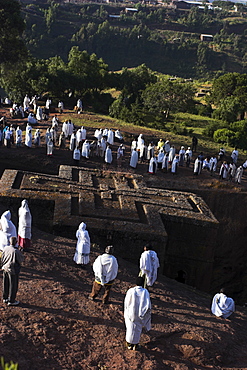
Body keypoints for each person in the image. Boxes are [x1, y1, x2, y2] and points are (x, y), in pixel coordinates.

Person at [124, 276, 151, 350]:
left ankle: (129, 344)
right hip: (140, 314)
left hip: (131, 313)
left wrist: (127, 311)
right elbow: (148, 304)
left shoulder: (130, 291)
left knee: (130, 328)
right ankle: (135, 344)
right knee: (138, 329)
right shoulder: (145, 292)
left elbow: (126, 302)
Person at [2, 236, 24, 306]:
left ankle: (5, 298)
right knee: (13, 285)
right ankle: (11, 300)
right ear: (16, 242)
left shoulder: (5, 248)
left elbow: (2, 258)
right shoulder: (16, 251)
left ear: (9, 242)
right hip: (12, 270)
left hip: (5, 268)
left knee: (5, 283)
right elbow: (20, 260)